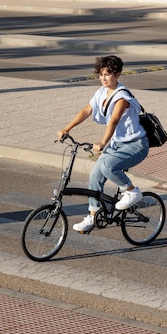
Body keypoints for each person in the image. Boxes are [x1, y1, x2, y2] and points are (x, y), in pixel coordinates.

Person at [57, 55, 149, 233]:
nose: (104, 78)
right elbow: (86, 110)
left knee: (108, 166)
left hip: (136, 145)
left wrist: (102, 142)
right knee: (95, 176)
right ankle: (92, 216)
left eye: (108, 74)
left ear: (118, 74)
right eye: (101, 74)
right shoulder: (101, 92)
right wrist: (67, 128)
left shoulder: (122, 97)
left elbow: (114, 121)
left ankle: (132, 191)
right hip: (118, 144)